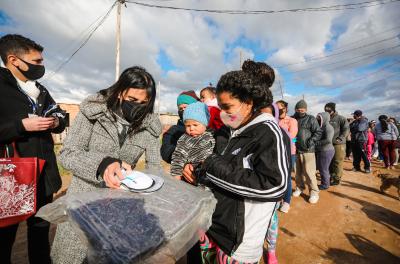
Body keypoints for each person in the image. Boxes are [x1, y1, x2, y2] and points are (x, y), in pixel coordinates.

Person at [51, 66, 162, 263]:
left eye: (144, 103)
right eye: (132, 100)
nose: (138, 106)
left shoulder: (150, 126)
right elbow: (67, 154)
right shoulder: (94, 113)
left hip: (121, 208)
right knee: (73, 257)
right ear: (120, 92)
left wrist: (152, 189)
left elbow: (155, 168)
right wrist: (103, 164)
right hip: (83, 203)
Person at [183, 60, 288, 263]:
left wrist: (212, 166)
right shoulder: (230, 129)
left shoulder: (268, 133)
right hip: (209, 226)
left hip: (235, 245)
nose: (222, 113)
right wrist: (198, 171)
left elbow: (275, 186)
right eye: (220, 107)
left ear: (248, 102)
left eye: (227, 107)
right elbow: (222, 169)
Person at [0, 34, 66, 264]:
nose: (41, 66)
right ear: (14, 60)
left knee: (40, 229)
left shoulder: (41, 90)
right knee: (5, 234)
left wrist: (57, 122)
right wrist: (21, 126)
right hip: (11, 178)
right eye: (37, 61)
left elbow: (60, 114)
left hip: (43, 173)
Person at [170, 102, 215, 180]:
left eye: (195, 125)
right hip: (191, 175)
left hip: (208, 176)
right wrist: (176, 175)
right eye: (188, 125)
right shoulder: (185, 139)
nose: (191, 128)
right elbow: (178, 156)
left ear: (205, 124)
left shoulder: (211, 135)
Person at [292, 99, 322, 204]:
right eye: (299, 109)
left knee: (309, 172)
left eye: (303, 109)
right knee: (297, 172)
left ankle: (314, 192)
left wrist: (310, 141)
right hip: (295, 150)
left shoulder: (311, 119)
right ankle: (300, 187)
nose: (301, 111)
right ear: (295, 109)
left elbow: (318, 132)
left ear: (306, 109)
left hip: (308, 150)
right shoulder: (292, 119)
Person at [161, 90, 199, 163]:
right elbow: (165, 151)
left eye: (185, 107)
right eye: (180, 108)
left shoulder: (206, 128)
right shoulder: (174, 130)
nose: (183, 110)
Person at [276, 100, 298, 213]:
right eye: (276, 107)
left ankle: (287, 201)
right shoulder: (273, 119)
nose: (278, 109)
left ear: (285, 109)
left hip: (289, 152)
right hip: (275, 152)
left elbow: (292, 136)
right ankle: (278, 198)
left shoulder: (292, 120)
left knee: (287, 177)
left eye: (280, 107)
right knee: (277, 176)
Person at [324, 102, 349, 186]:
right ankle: (331, 176)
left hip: (338, 144)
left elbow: (346, 129)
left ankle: (337, 179)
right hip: (328, 144)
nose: (327, 112)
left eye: (329, 110)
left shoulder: (341, 118)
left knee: (337, 161)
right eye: (325, 110)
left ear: (333, 110)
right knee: (329, 162)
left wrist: (340, 138)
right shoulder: (325, 118)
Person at [315, 112, 335, 190]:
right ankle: (326, 182)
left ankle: (325, 185)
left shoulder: (328, 127)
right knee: (322, 168)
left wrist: (316, 143)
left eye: (319, 118)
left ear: (324, 118)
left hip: (326, 150)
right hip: (323, 150)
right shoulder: (322, 127)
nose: (318, 119)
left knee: (324, 168)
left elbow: (328, 140)